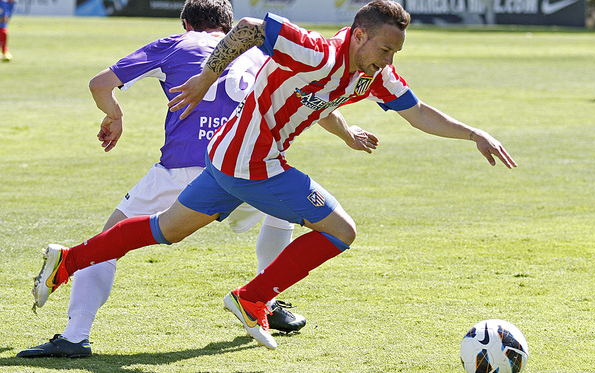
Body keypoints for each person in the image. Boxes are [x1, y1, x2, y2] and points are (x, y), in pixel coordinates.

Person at [30, 0, 516, 351]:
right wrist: (203, 79)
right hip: (253, 164)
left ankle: (69, 260)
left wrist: (473, 133)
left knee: (165, 230)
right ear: (360, 34)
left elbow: (418, 112)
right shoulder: (315, 52)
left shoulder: (371, 76)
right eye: (385, 49)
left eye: (395, 54)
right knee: (341, 230)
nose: (389, 60)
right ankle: (253, 298)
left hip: (226, 161)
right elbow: (245, 27)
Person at [19, 0, 378, 358]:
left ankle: (74, 335)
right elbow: (309, 97)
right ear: (229, 26)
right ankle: (266, 300)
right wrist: (349, 135)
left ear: (187, 23)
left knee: (108, 243)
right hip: (248, 166)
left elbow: (100, 84)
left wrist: (114, 115)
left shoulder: (176, 43)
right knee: (282, 213)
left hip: (184, 169)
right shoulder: (258, 53)